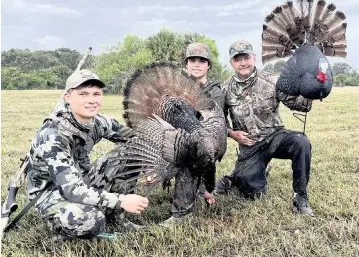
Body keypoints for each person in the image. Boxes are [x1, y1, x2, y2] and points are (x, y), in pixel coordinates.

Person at [27, 69, 149, 240]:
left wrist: (149, 167)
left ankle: (117, 218)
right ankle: (57, 225)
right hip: (52, 192)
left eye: (96, 94)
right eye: (83, 94)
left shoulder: (99, 122)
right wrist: (121, 200)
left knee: (133, 150)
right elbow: (71, 189)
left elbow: (137, 140)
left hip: (82, 179)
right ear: (67, 97)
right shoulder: (53, 135)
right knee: (91, 220)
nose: (92, 100)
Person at [215, 40, 314, 215]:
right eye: (237, 59)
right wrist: (231, 133)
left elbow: (298, 105)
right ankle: (237, 176)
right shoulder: (225, 89)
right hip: (249, 146)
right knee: (253, 193)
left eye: (246, 57)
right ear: (231, 63)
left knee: (301, 142)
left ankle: (300, 197)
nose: (243, 63)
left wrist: (310, 91)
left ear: (254, 58)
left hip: (276, 137)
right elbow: (218, 120)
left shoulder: (272, 80)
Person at [161, 43, 225, 225]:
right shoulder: (176, 89)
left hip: (209, 141)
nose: (197, 64)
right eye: (192, 60)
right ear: (186, 64)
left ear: (208, 65)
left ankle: (182, 213)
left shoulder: (215, 92)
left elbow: (211, 126)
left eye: (202, 61)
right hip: (179, 136)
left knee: (192, 148)